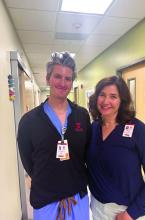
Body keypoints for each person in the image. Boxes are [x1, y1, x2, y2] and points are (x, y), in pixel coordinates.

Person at [17, 52, 91, 220]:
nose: (63, 83)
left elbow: (85, 156)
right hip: (46, 202)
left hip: (77, 200)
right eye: (58, 76)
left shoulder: (81, 116)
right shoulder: (29, 122)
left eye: (68, 78)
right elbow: (29, 164)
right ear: (47, 78)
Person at [87, 76, 145, 220]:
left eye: (113, 96)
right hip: (96, 207)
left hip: (125, 212)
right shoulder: (94, 128)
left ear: (122, 100)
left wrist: (131, 213)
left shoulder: (139, 131)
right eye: (102, 95)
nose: (106, 101)